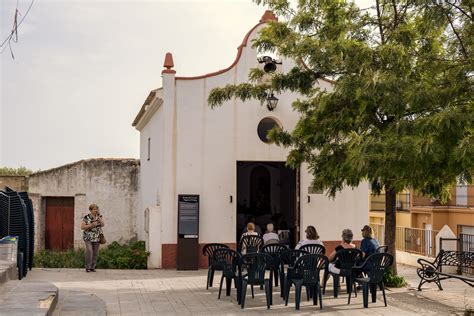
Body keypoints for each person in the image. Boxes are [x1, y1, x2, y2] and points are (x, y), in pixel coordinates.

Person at [80, 203, 104, 272]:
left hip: (97, 237)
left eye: (96, 209)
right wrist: (91, 225)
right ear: (90, 210)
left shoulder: (99, 216)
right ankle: (88, 267)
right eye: (94, 209)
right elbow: (82, 227)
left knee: (95, 252)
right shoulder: (86, 217)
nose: (96, 210)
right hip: (88, 237)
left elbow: (102, 224)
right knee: (90, 251)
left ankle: (93, 267)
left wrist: (99, 218)